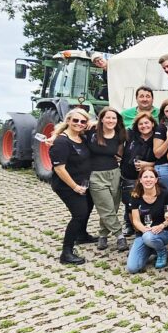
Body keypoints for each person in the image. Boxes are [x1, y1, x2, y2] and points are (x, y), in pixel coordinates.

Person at [49, 108, 96, 264]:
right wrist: (75, 187)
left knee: (88, 207)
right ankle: (66, 252)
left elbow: (103, 122)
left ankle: (81, 235)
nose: (79, 123)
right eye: (75, 120)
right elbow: (59, 169)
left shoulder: (81, 137)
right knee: (79, 214)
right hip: (67, 185)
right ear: (68, 121)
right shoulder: (61, 142)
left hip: (83, 182)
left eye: (83, 121)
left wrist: (92, 123)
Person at [87, 107, 128, 253]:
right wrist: (54, 137)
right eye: (108, 117)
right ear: (101, 119)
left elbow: (120, 152)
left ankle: (103, 235)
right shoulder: (91, 131)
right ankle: (119, 236)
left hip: (114, 173)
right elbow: (69, 129)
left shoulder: (119, 134)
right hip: (96, 175)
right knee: (105, 207)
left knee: (113, 207)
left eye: (114, 118)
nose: (111, 120)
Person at [126, 166, 168, 273]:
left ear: (156, 180)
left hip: (163, 231)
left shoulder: (165, 194)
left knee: (148, 237)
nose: (148, 180)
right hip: (144, 233)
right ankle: (152, 249)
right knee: (132, 268)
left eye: (151, 177)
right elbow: (136, 221)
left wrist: (162, 225)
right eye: (145, 177)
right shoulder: (135, 196)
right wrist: (144, 230)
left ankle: (161, 253)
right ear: (140, 180)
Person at [121, 112, 158, 237]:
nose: (144, 126)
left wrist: (148, 164)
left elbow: (162, 158)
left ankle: (149, 224)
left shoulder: (158, 137)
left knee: (149, 200)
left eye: (146, 123)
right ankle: (131, 226)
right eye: (140, 124)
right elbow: (114, 130)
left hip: (149, 176)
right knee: (130, 201)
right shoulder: (131, 135)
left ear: (152, 124)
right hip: (129, 174)